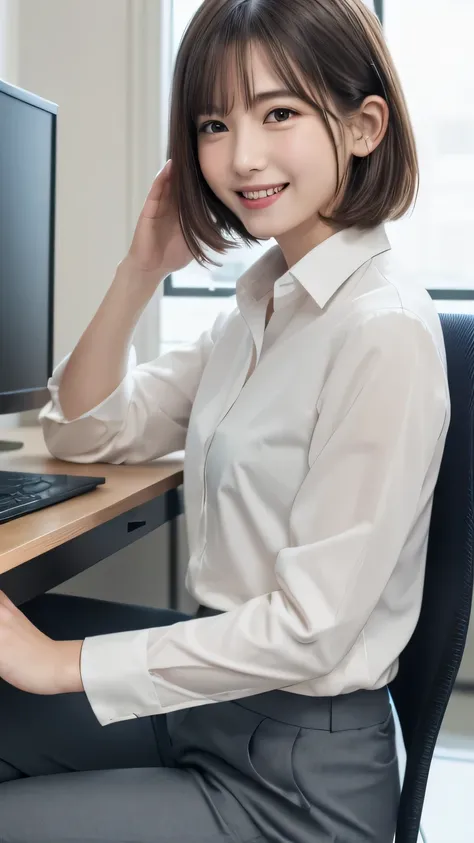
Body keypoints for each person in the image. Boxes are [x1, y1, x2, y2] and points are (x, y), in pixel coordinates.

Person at [0, 1, 450, 841]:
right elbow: (83, 432)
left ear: (364, 125)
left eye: (278, 112)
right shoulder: (263, 304)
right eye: (214, 122)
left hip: (296, 781)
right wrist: (142, 270)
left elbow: (313, 630)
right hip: (214, 703)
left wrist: (61, 665)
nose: (241, 156)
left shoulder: (379, 329)